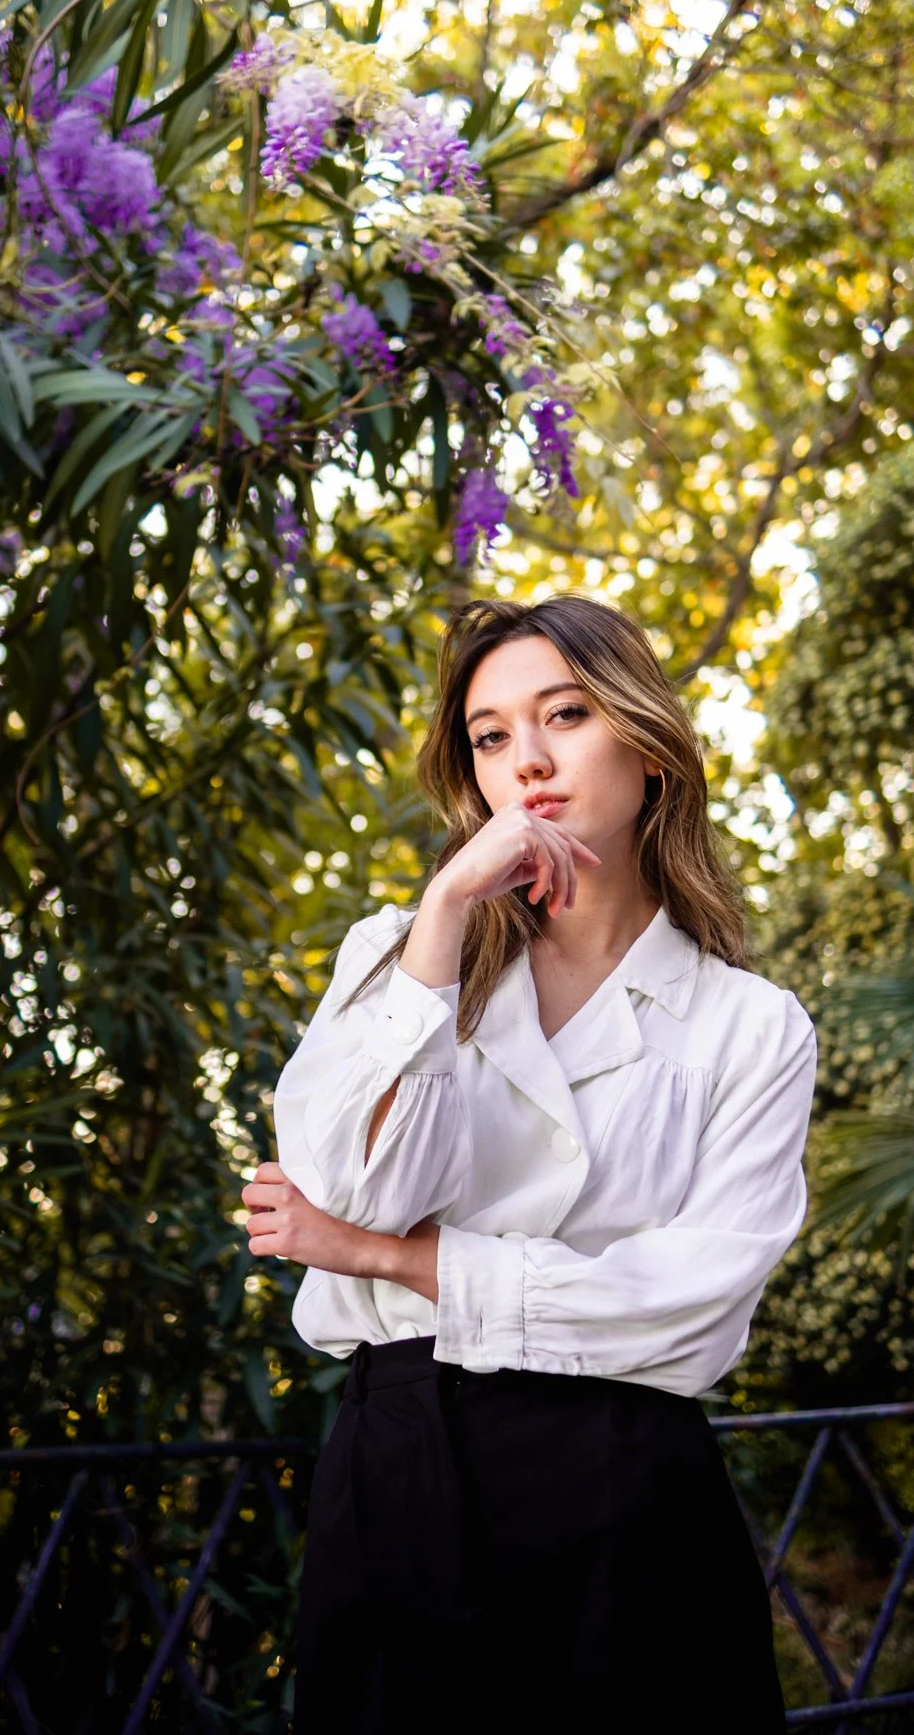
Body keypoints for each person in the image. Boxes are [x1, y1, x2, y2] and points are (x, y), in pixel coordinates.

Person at [240, 594, 816, 1733]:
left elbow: (687, 1314)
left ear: (647, 749)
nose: (528, 762)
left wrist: (381, 1260)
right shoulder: (396, 956)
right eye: (491, 735)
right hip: (401, 1465)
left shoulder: (750, 1027)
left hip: (627, 1484)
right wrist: (446, 906)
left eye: (566, 713)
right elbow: (354, 1181)